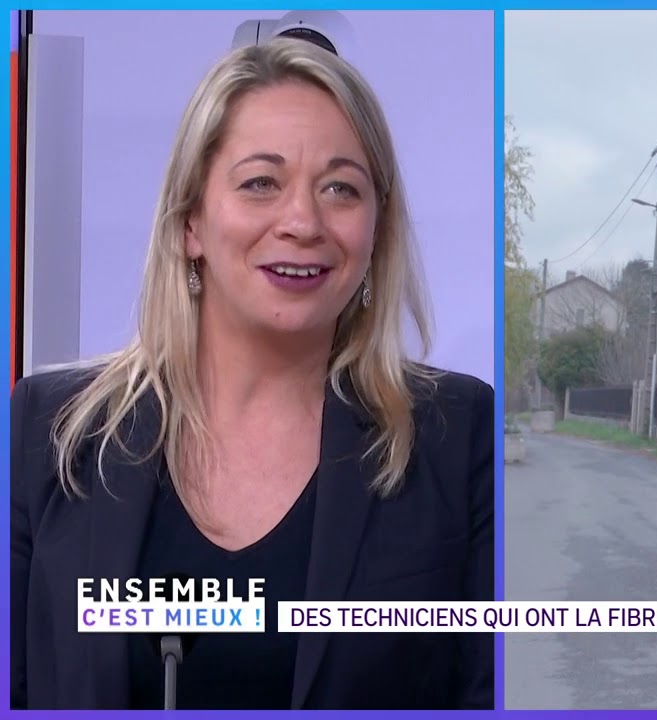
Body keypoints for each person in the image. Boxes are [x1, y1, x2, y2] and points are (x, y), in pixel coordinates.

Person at [10, 39, 493, 710]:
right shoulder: (47, 429)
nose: (303, 222)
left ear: (377, 232)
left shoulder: (458, 433)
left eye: (341, 189)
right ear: (191, 224)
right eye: (261, 182)